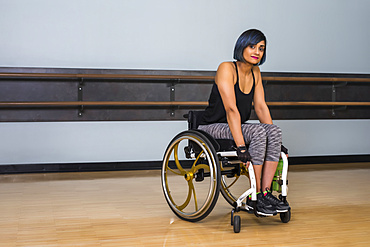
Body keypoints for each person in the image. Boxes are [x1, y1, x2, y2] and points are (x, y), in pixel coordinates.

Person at [197, 29, 290, 216]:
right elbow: (231, 109)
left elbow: (261, 107)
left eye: (261, 48)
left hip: (235, 126)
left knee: (273, 131)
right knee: (257, 132)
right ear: (242, 46)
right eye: (252, 46)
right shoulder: (226, 68)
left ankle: (264, 193)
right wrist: (240, 146)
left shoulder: (256, 72)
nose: (257, 52)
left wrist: (275, 140)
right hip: (212, 126)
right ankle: (255, 195)